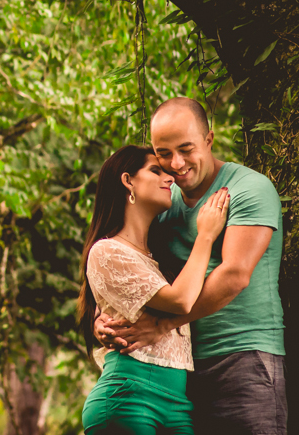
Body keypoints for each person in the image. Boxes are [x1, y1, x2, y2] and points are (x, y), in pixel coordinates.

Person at [95, 98, 287, 434]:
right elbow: (136, 273)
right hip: (182, 375)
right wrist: (105, 317)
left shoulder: (246, 189)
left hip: (242, 357)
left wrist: (163, 324)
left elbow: (234, 276)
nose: (176, 163)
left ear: (209, 139)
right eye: (164, 154)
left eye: (186, 149)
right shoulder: (165, 205)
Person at [79, 144, 230, 434]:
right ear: (128, 181)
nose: (170, 177)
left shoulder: (157, 257)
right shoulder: (107, 251)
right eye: (155, 170)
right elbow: (182, 300)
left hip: (178, 402)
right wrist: (206, 235)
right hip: (129, 397)